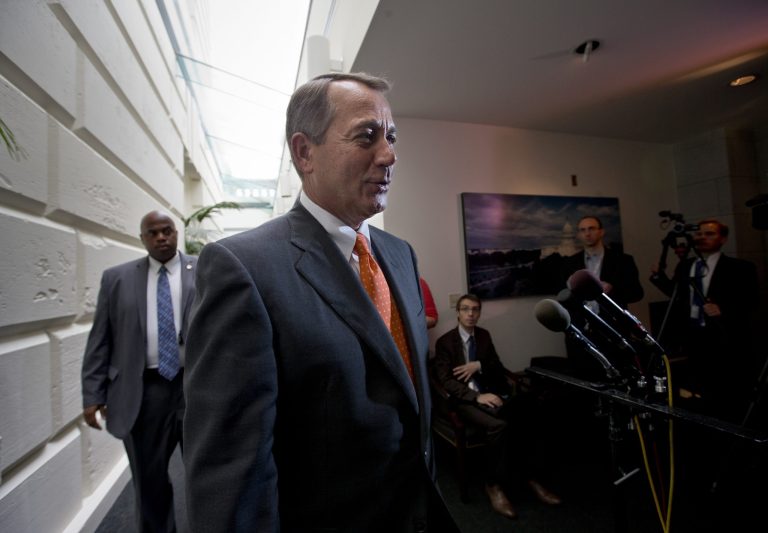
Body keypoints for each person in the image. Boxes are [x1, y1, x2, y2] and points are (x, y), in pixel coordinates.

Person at [183, 73, 458, 533]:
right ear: (304, 152)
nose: (389, 155)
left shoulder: (400, 255)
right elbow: (232, 467)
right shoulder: (242, 267)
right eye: (366, 136)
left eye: (391, 137)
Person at [81, 211, 196, 533]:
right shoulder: (117, 279)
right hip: (143, 392)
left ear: (177, 233)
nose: (161, 237)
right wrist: (93, 394)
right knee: (149, 479)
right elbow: (101, 339)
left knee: (206, 474)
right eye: (152, 233)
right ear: (142, 238)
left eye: (167, 230)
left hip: (195, 388)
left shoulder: (205, 270)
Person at [433, 294, 562, 519]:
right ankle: (493, 485)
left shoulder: (483, 336)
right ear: (458, 313)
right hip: (464, 401)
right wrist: (475, 397)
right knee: (499, 426)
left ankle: (530, 477)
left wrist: (479, 365)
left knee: (529, 415)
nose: (471, 314)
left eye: (475, 310)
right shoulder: (445, 342)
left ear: (479, 313)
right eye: (465, 309)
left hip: (490, 393)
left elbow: (497, 366)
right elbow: (446, 381)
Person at [650, 219, 759, 422]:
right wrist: (658, 277)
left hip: (724, 337)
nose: (702, 238)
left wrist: (723, 310)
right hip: (694, 335)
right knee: (699, 385)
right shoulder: (687, 265)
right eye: (699, 234)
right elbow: (676, 295)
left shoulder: (740, 267)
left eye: (709, 234)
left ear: (723, 238)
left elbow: (750, 301)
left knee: (727, 387)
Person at [561, 215, 644, 378]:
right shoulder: (569, 263)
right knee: (586, 381)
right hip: (582, 334)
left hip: (614, 333)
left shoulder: (623, 260)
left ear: (601, 232)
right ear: (579, 234)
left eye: (591, 228)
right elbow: (564, 298)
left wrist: (612, 289)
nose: (587, 233)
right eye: (583, 230)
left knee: (620, 379)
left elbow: (637, 293)